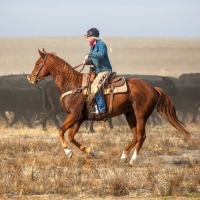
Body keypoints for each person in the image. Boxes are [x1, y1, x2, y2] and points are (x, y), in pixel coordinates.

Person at [83, 28, 112, 116]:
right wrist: (87, 61)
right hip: (97, 71)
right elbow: (93, 59)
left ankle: (102, 109)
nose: (86, 38)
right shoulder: (92, 46)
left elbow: (101, 55)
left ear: (93, 37)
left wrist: (89, 55)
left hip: (105, 70)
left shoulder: (101, 44)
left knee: (95, 87)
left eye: (88, 36)